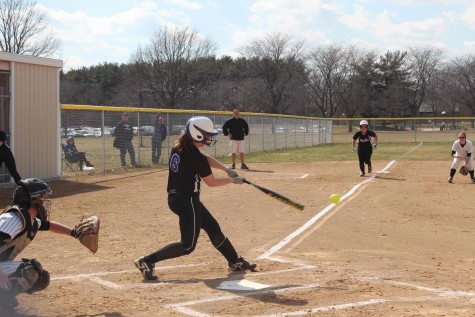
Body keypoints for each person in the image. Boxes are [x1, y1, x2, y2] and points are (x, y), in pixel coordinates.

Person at [134, 116, 256, 281]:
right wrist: (233, 180)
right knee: (188, 245)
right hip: (187, 201)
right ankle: (147, 261)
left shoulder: (180, 146)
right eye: (206, 136)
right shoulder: (194, 157)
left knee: (213, 228)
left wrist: (226, 169)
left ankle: (234, 261)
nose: (208, 139)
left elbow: (204, 158)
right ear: (197, 135)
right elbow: (211, 182)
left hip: (178, 198)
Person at [0, 178, 97, 312]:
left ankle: (3, 301)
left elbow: (50, 226)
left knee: (41, 277)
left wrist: (75, 233)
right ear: (33, 199)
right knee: (29, 271)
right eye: (42, 197)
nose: (44, 202)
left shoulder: (30, 220)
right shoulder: (15, 219)